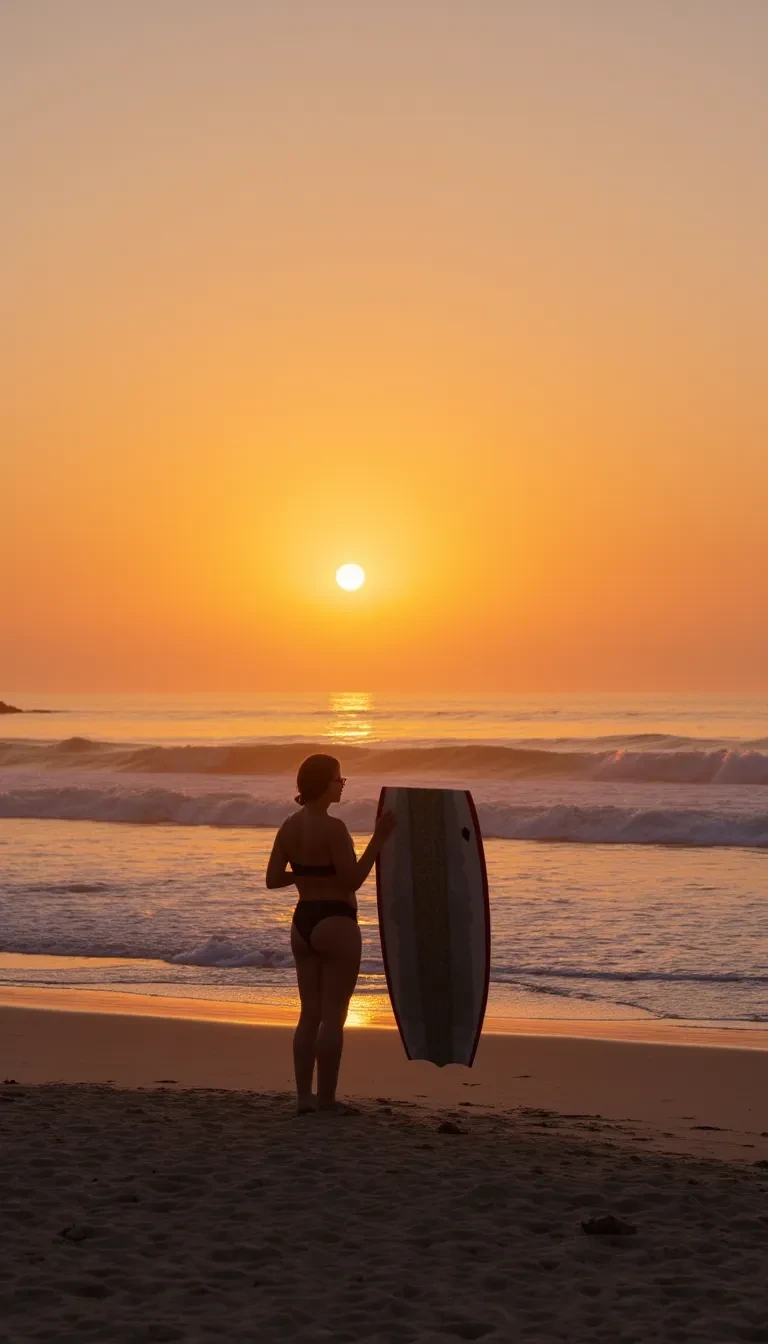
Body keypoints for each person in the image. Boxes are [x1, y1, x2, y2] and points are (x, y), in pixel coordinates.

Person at [266, 754, 396, 1113]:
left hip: (303, 921)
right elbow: (352, 879)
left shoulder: (288, 826)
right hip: (336, 921)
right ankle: (326, 1099)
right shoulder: (334, 828)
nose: (342, 785)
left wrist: (307, 875)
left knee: (309, 1014)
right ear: (325, 784)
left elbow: (273, 879)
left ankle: (303, 1098)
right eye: (339, 779)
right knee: (334, 1015)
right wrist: (379, 840)